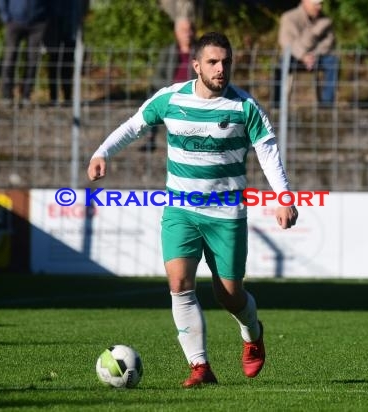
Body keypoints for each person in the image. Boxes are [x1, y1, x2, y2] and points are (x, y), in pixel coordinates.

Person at [87, 32, 298, 387]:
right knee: (179, 285)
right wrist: (102, 152)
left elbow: (268, 150)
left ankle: (252, 331)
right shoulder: (170, 98)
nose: (221, 69)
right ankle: (200, 368)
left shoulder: (244, 107)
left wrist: (284, 196)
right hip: (180, 210)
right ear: (196, 65)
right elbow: (134, 125)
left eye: (226, 62)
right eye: (213, 62)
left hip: (226, 213)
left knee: (229, 295)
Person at [139, 17, 196, 152]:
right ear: (176, 33)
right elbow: (157, 76)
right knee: (153, 96)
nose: (188, 33)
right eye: (184, 30)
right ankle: (150, 138)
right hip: (171, 91)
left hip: (193, 91)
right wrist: (171, 87)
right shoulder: (168, 52)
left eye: (190, 29)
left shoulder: (200, 52)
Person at [276, 0, 339, 108]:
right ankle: (277, 105)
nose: (319, 7)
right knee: (280, 66)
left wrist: (313, 55)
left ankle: (327, 105)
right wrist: (303, 55)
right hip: (294, 57)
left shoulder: (325, 20)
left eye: (321, 4)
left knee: (333, 62)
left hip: (316, 57)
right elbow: (286, 43)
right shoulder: (289, 17)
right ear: (305, 2)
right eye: (316, 4)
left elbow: (329, 43)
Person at [0, 0, 49, 107]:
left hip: (38, 24)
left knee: (33, 61)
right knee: (9, 58)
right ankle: (7, 96)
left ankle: (26, 95)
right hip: (14, 21)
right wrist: (5, 17)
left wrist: (46, 18)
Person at [45, 0, 88, 107]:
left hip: (71, 30)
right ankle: (53, 98)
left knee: (68, 66)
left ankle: (67, 97)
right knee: (53, 65)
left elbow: (83, 7)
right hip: (54, 30)